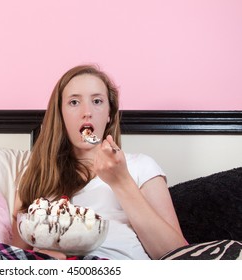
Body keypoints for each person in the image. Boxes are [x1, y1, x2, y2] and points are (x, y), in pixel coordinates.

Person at [11, 64, 188, 260]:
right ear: (60, 115)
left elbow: (177, 256)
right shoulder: (38, 174)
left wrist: (121, 181)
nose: (87, 112)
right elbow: (14, 257)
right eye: (74, 102)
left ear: (109, 114)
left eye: (97, 101)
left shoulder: (141, 166)